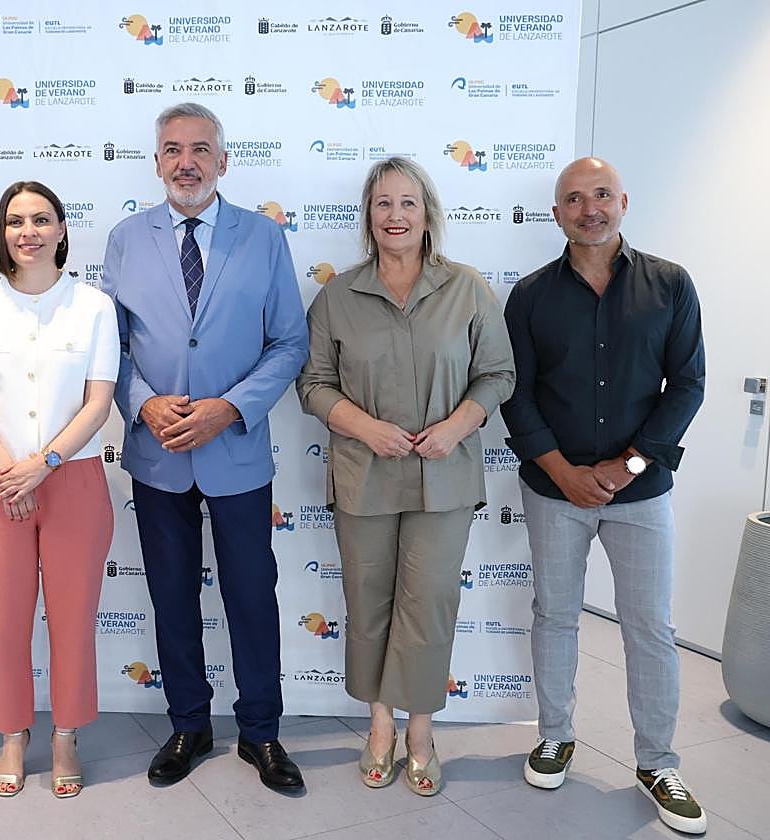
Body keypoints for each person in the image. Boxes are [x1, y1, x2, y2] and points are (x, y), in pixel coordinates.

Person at [102, 103, 309, 793]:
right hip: (158, 453)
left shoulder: (264, 237)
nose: (184, 161)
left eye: (199, 149)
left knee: (253, 594)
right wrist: (142, 403)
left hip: (237, 452)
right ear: (156, 161)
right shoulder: (128, 237)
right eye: (171, 149)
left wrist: (231, 408)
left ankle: (262, 732)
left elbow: (289, 344)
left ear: (224, 160)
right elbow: (115, 350)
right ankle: (189, 722)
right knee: (171, 595)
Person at [297, 156, 515, 796]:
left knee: (429, 607)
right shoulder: (339, 295)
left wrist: (457, 426)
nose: (395, 216)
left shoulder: (467, 288)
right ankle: (380, 726)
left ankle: (420, 732)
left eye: (408, 204)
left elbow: (498, 374)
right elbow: (312, 384)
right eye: (383, 204)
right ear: (368, 215)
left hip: (443, 480)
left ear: (428, 215)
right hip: (363, 478)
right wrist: (365, 428)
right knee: (369, 607)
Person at [501, 157, 707, 834]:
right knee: (557, 615)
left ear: (623, 201)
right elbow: (517, 392)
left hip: (641, 493)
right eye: (572, 199)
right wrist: (562, 471)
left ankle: (657, 761)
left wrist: (630, 464)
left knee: (649, 627)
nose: (589, 208)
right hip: (553, 489)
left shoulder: (670, 284)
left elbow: (688, 384)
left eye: (600, 196)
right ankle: (555, 734)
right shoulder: (530, 295)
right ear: (556, 214)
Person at [0, 180, 118, 798]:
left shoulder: (95, 307)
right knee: (6, 620)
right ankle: (14, 734)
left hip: (71, 479)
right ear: (2, 233)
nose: (28, 231)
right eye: (16, 221)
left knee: (73, 619)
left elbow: (98, 402)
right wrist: (8, 471)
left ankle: (66, 734)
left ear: (61, 230)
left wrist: (42, 465)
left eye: (41, 219)